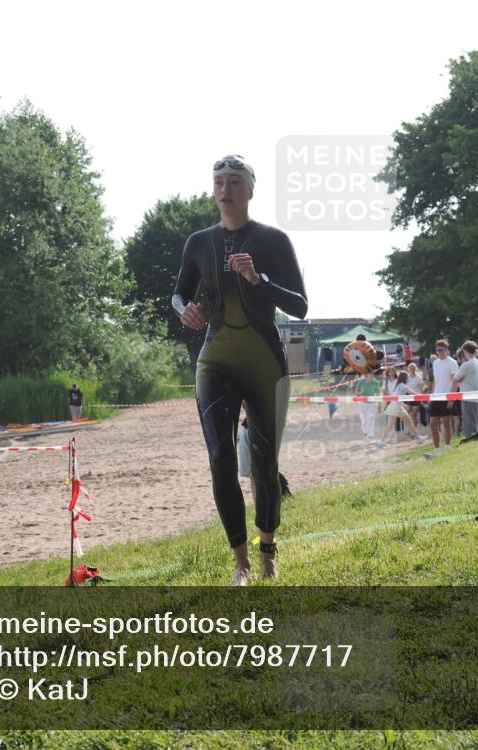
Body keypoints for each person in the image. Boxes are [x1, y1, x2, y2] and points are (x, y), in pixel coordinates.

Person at [172, 155, 307, 585]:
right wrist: (185, 311)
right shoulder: (198, 242)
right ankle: (241, 563)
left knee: (265, 464)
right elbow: (177, 295)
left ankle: (268, 551)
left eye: (233, 181)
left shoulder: (273, 239)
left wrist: (259, 280)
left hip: (264, 361)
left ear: (250, 190)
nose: (225, 188)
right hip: (215, 361)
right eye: (218, 182)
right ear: (213, 191)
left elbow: (300, 306)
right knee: (220, 458)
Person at [427, 340, 459, 457]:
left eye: (442, 350)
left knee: (446, 422)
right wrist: (431, 395)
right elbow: (435, 380)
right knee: (433, 423)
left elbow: (455, 382)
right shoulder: (435, 363)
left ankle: (447, 446)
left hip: (447, 395)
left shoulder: (453, 362)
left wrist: (452, 398)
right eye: (438, 350)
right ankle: (436, 449)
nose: (439, 352)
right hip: (436, 396)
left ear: (447, 350)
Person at [381, 371, 424, 444]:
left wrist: (403, 405)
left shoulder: (398, 385)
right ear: (405, 378)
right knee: (409, 423)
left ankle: (381, 441)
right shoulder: (403, 385)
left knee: (389, 425)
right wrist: (421, 395)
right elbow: (411, 393)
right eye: (407, 377)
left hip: (393, 406)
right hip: (397, 407)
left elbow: (398, 397)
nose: (408, 378)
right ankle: (418, 439)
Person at [453, 341, 478, 438]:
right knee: (473, 422)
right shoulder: (477, 362)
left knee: (469, 424)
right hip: (475, 396)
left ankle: (472, 440)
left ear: (465, 351)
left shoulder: (467, 365)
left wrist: (452, 396)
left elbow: (455, 379)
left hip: (467, 397)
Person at [356, 370, 381, 442]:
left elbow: (378, 394)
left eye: (373, 374)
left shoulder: (376, 382)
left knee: (371, 419)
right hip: (362, 403)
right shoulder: (361, 381)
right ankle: (365, 434)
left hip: (372, 404)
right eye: (370, 374)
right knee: (363, 420)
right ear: (367, 375)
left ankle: (370, 436)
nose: (372, 375)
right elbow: (356, 392)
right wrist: (360, 394)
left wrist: (379, 404)